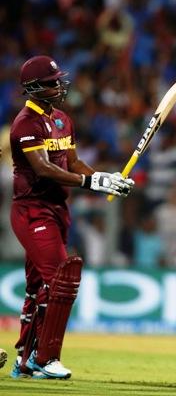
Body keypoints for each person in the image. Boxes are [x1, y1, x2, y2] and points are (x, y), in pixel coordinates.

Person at [9, 55, 134, 379]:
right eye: (51, 83)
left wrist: (105, 178)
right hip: (32, 210)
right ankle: (46, 358)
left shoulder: (63, 119)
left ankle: (25, 360)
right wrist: (91, 182)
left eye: (57, 80)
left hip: (59, 211)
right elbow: (44, 169)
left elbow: (73, 163)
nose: (58, 86)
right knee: (59, 282)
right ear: (33, 88)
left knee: (36, 287)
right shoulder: (25, 123)